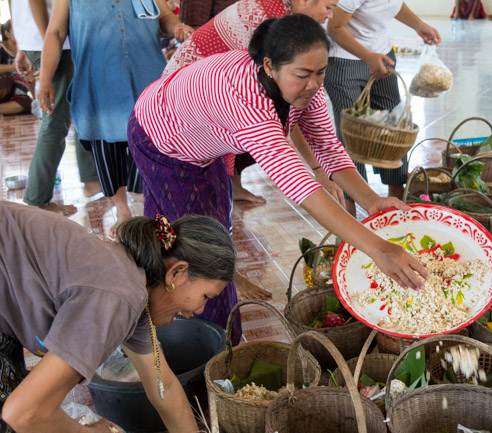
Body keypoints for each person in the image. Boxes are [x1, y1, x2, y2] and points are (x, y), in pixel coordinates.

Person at [129, 15, 428, 339]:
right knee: (205, 253)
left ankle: (155, 297)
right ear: (269, 66)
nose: (314, 84)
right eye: (302, 75)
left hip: (202, 142)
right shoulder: (244, 97)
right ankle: (212, 345)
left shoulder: (304, 86)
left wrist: (372, 200)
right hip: (160, 141)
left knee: (179, 228)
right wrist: (378, 248)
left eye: (321, 72)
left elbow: (328, 147)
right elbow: (300, 185)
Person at [0, 201, 235, 433]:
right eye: (205, 296)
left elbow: (165, 387)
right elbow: (23, 412)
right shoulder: (119, 296)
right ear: (177, 273)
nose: (201, 310)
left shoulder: (138, 290)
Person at [165, 0, 342, 206]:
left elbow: (317, 131)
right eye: (328, 7)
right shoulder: (271, 27)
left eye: (321, 72)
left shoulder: (285, 20)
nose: (329, 15)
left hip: (207, 94)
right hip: (182, 103)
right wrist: (317, 170)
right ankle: (226, 185)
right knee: (195, 200)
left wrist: (323, 170)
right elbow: (290, 119)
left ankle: (231, 185)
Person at [38, 0, 194, 232]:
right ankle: (123, 211)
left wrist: (177, 27)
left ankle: (155, 212)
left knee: (156, 149)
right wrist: (45, 78)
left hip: (146, 77)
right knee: (106, 150)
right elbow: (56, 32)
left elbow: (165, 18)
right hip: (98, 82)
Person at [325, 0, 441, 215]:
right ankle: (351, 206)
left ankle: (396, 196)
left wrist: (418, 25)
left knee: (393, 128)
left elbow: (393, 4)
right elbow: (335, 27)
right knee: (353, 133)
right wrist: (367, 56)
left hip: (383, 55)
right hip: (345, 60)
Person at [11, 0, 100, 216]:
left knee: (81, 107)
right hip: (54, 40)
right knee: (56, 120)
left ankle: (92, 179)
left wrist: (24, 43)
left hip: (41, 37)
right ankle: (37, 199)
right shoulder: (52, 40)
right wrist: (50, 43)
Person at [0, 21, 32, 116]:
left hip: (17, 91)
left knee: (27, 103)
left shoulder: (26, 50)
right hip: (3, 88)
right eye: (17, 29)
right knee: (7, 81)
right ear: (7, 34)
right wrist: (13, 67)